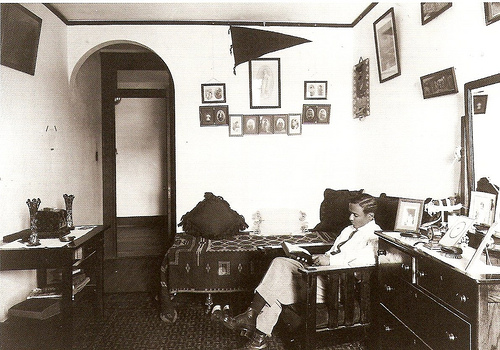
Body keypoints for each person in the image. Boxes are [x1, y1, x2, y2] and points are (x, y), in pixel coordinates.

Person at [218, 193, 380, 350]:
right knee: (279, 263)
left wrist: (331, 260)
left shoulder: (374, 236)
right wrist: (319, 257)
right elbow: (334, 252)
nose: (350, 218)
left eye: (355, 215)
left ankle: (254, 327)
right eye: (350, 214)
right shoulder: (348, 230)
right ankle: (254, 325)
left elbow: (366, 263)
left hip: (338, 285)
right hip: (322, 273)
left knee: (276, 285)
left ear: (370, 216)